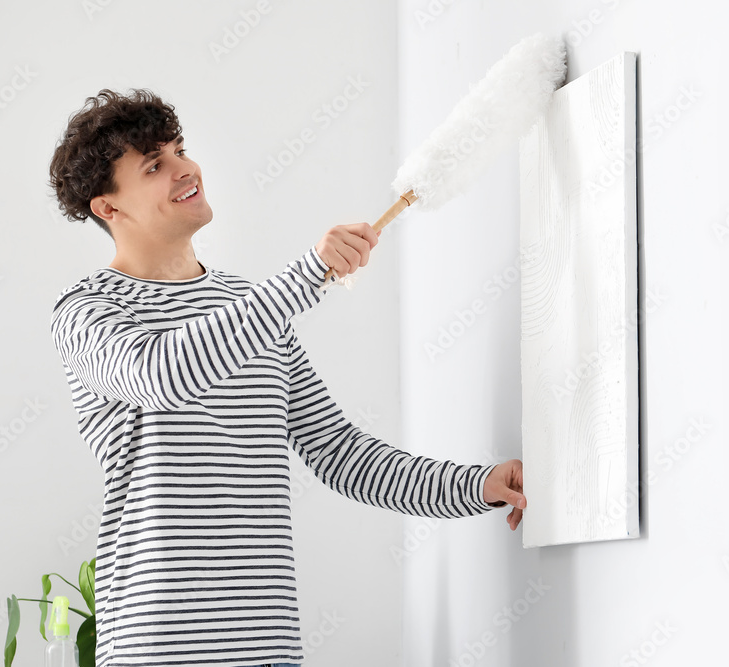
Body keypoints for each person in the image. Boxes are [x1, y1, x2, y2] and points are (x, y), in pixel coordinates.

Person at [47, 88, 525, 667]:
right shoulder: (88, 310)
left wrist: (477, 485)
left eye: (179, 150)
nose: (185, 168)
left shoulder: (249, 305)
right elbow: (161, 374)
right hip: (155, 647)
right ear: (109, 208)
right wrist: (306, 277)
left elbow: (340, 453)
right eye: (154, 165)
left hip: (269, 645)